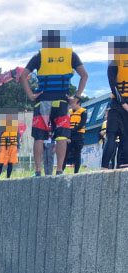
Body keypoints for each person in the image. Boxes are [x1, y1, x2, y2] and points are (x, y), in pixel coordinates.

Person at [20, 29, 88, 176]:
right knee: (62, 136)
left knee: (39, 136)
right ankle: (59, 171)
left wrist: (31, 95)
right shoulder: (71, 55)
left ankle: (38, 171)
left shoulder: (40, 55)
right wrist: (76, 97)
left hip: (43, 101)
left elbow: (22, 76)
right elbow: (84, 75)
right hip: (62, 102)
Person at [101, 36, 128, 170]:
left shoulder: (114, 62)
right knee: (125, 136)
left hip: (117, 103)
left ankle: (105, 167)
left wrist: (122, 102)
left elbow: (113, 85)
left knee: (111, 135)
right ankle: (123, 164)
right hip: (121, 102)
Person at [63, 96, 86, 173]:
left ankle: (76, 172)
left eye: (73, 103)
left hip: (79, 135)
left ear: (78, 103)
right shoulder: (69, 112)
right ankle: (61, 171)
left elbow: (81, 124)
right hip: (69, 135)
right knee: (65, 154)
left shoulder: (83, 112)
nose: (71, 104)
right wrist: (68, 134)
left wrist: (71, 130)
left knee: (77, 154)